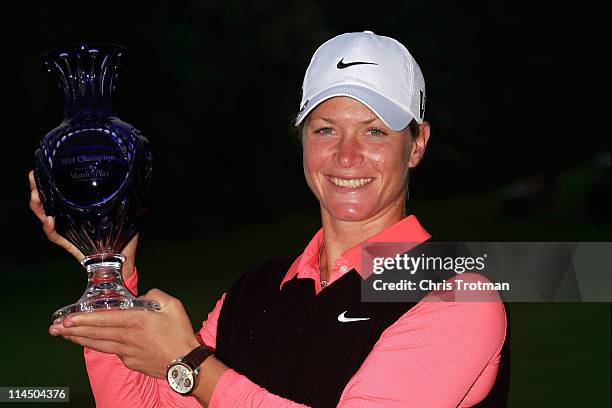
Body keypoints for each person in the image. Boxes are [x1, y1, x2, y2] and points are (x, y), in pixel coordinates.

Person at [32, 31, 509, 407]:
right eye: (325, 129)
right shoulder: (254, 291)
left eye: (374, 132)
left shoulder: (456, 295)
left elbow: (193, 374)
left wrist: (192, 363)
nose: (347, 156)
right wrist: (110, 270)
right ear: (302, 140)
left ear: (418, 143)